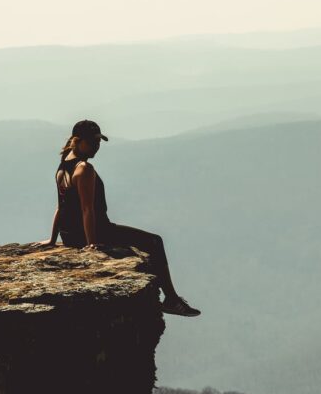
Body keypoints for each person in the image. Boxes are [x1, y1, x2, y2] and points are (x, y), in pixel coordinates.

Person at [39, 119, 200, 317]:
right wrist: (92, 244)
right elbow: (87, 209)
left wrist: (54, 239)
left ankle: (172, 299)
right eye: (92, 142)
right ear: (77, 141)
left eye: (98, 142)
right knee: (154, 242)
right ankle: (172, 300)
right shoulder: (84, 169)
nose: (96, 147)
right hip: (97, 231)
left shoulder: (63, 166)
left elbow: (61, 206)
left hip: (70, 236)